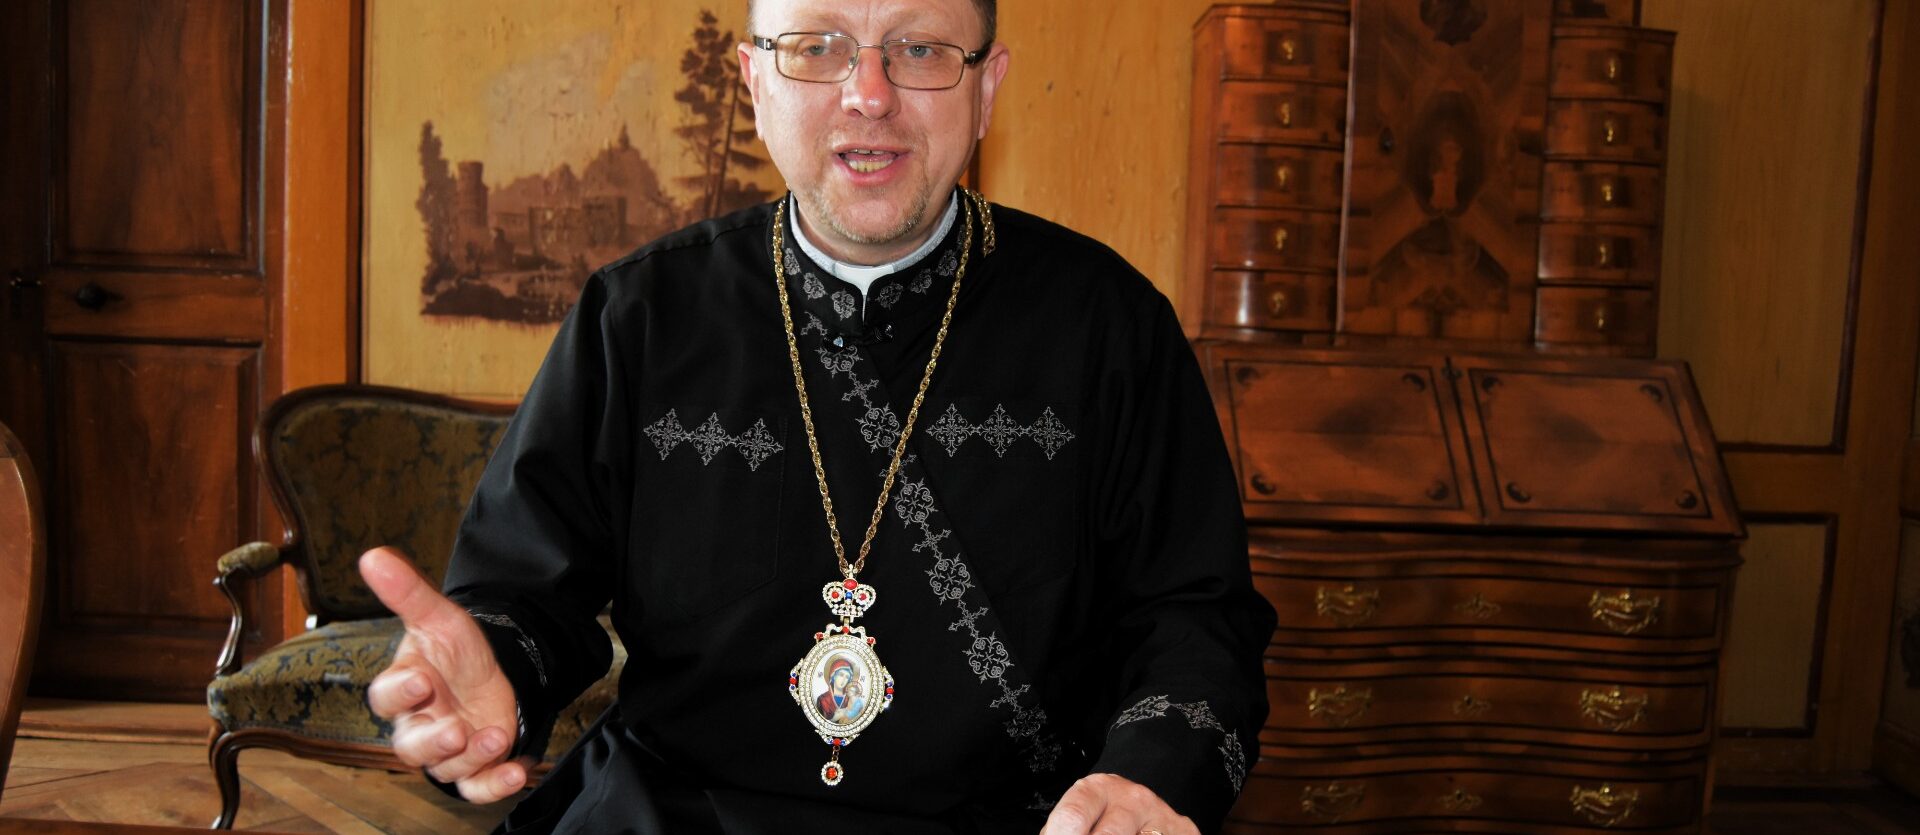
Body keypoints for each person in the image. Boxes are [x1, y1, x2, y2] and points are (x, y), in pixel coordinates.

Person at [357, 0, 1277, 831]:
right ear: (757, 80)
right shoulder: (637, 316)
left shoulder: (1110, 325)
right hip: (675, 813)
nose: (868, 94)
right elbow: (523, 591)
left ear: (986, 87)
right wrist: (498, 674)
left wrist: (1155, 776)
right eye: (817, 48)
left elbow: (1194, 616)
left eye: (919, 49)